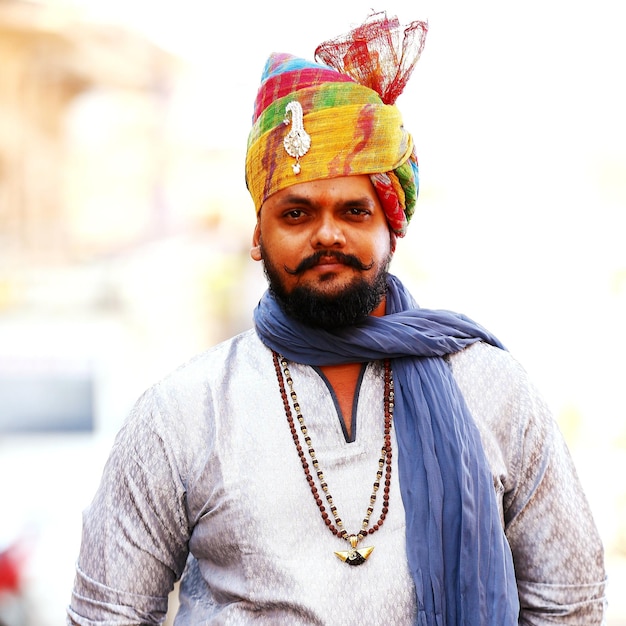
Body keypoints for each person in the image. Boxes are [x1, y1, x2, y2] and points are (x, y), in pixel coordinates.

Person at [67, 12, 607, 625]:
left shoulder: (491, 389)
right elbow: (105, 616)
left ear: (391, 229)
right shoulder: (182, 414)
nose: (327, 234)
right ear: (257, 235)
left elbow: (571, 608)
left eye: (354, 210)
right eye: (296, 214)